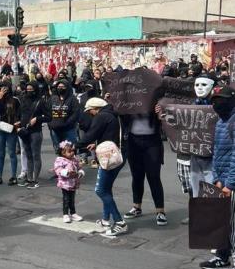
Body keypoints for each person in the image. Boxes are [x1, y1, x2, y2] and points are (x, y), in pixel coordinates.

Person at [77, 97, 128, 237]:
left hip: (108, 158)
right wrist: (98, 143)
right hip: (119, 154)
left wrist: (74, 145)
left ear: (95, 108)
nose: (90, 114)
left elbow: (89, 135)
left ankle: (120, 222)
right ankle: (106, 220)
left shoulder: (101, 116)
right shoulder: (113, 114)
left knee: (100, 190)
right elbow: (110, 135)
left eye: (90, 111)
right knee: (106, 188)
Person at [199, 86, 235, 269]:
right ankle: (222, 256)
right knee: (220, 221)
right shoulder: (221, 120)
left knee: (233, 224)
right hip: (223, 179)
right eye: (215, 100)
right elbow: (218, 152)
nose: (217, 104)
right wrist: (217, 179)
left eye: (222, 100)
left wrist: (230, 183)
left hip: (232, 181)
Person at [122, 111, 167, 226]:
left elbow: (169, 119)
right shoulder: (129, 99)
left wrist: (160, 113)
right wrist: (111, 101)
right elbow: (119, 111)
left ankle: (160, 211)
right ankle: (137, 207)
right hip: (133, 140)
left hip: (152, 141)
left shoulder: (156, 99)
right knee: (136, 176)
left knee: (154, 176)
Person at [18, 82, 50, 188]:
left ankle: (35, 180)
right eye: (27, 89)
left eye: (31, 89)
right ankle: (29, 178)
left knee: (36, 155)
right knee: (28, 155)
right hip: (24, 131)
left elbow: (49, 117)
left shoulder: (40, 101)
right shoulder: (23, 99)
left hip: (35, 132)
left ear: (35, 89)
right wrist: (18, 123)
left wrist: (37, 119)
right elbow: (20, 114)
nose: (29, 91)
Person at [0, 83, 21, 186]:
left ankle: (13, 176)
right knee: (1, 154)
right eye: (1, 89)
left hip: (11, 129)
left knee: (12, 153)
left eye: (5, 89)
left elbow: (20, 113)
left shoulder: (15, 99)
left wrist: (18, 123)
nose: (3, 91)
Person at [54, 141, 85, 223]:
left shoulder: (74, 159)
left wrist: (80, 172)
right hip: (65, 184)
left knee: (72, 199)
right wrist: (66, 172)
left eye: (72, 151)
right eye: (69, 151)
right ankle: (65, 214)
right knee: (66, 199)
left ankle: (73, 213)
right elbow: (58, 170)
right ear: (63, 153)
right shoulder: (60, 160)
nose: (72, 153)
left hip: (73, 183)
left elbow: (79, 168)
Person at [48, 79, 80, 150]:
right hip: (55, 129)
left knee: (69, 150)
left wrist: (67, 123)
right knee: (59, 150)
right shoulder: (53, 99)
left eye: (63, 87)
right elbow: (48, 112)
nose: (60, 88)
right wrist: (50, 123)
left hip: (68, 129)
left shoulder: (72, 99)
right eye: (59, 87)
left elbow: (76, 113)